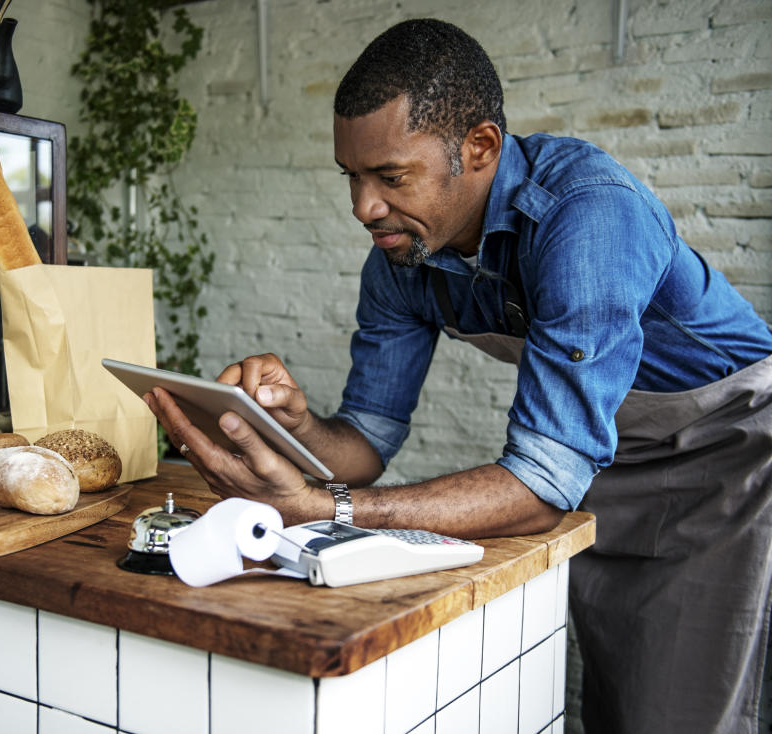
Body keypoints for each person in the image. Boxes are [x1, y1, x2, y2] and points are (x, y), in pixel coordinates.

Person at [143, 18, 772, 734]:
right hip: (600, 454)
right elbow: (367, 443)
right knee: (616, 693)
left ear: (478, 149)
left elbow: (538, 486)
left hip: (723, 451)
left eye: (390, 177)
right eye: (352, 177)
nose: (363, 208)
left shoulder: (589, 219)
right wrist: (298, 426)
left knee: (677, 710)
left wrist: (324, 510)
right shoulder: (403, 254)